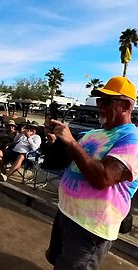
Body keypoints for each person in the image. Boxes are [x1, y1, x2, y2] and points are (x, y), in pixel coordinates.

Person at [45, 76, 138, 269]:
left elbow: (103, 178)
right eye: (98, 101)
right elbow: (62, 161)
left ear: (126, 106)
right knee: (55, 260)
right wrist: (57, 141)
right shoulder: (92, 134)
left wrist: (70, 141)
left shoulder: (132, 139)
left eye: (106, 101)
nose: (100, 106)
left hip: (90, 227)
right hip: (66, 214)